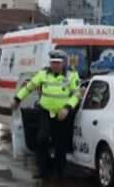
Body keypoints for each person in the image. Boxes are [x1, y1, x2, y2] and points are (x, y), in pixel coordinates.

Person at [11, 50, 81, 178]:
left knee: (60, 144)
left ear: (64, 63)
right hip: (45, 111)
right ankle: (42, 170)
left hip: (62, 114)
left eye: (57, 63)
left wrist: (67, 108)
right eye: (53, 63)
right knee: (41, 139)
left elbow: (76, 95)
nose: (54, 65)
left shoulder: (71, 75)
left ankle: (59, 171)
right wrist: (17, 99)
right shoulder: (43, 74)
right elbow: (29, 87)